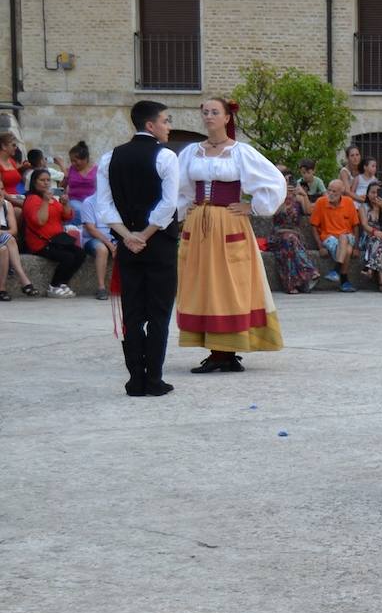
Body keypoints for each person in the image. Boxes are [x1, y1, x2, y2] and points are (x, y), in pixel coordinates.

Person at [176, 97, 288, 373]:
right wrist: (184, 206)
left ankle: (224, 351)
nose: (209, 116)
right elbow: (177, 185)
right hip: (199, 224)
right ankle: (216, 350)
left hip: (229, 222)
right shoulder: (191, 152)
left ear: (227, 117)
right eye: (205, 112)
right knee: (202, 284)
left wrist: (253, 205)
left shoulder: (240, 152)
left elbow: (275, 181)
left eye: (215, 112)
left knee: (229, 285)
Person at [95, 99, 181, 395]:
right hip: (159, 245)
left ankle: (135, 379)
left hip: (128, 245)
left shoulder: (109, 158)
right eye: (166, 121)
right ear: (150, 125)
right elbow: (168, 204)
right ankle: (154, 379)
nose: (168, 126)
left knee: (133, 312)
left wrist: (127, 236)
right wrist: (144, 234)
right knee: (158, 312)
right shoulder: (166, 157)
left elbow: (103, 206)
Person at [21, 169, 82, 297]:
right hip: (41, 243)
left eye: (48, 180)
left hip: (57, 240)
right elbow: (40, 221)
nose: (46, 183)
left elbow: (67, 217)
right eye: (42, 180)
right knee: (67, 257)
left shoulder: (52, 199)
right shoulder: (32, 200)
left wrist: (65, 204)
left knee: (80, 253)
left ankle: (62, 283)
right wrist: (44, 202)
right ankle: (53, 286)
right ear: (34, 182)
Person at [305, 180, 361, 291]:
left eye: (334, 191)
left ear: (341, 192)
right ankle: (344, 280)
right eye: (329, 190)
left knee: (344, 237)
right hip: (329, 238)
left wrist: (357, 247)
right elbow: (314, 227)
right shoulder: (321, 202)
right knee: (348, 250)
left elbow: (356, 226)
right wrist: (320, 247)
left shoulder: (349, 202)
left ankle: (336, 270)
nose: (330, 193)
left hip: (347, 236)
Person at [269, 179, 320, 295]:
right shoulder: (277, 199)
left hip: (295, 235)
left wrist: (304, 195)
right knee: (289, 241)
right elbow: (273, 212)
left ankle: (291, 284)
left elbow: (308, 211)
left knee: (290, 245)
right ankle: (308, 271)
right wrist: (282, 197)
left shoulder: (299, 199)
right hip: (278, 235)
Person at [75, 195, 117, 300]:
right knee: (101, 250)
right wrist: (110, 244)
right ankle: (101, 287)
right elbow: (91, 229)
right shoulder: (89, 202)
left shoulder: (117, 200)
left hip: (115, 237)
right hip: (93, 239)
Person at [0, 193, 41, 300]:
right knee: (4, 248)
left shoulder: (6, 205)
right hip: (3, 236)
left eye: (2, 189)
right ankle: (20, 282)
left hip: (3, 236)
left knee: (9, 240)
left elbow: (14, 231)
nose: (0, 192)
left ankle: (5, 287)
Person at [0, 132, 26, 210]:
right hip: (5, 200)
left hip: (16, 197)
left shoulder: (11, 161)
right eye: (13, 145)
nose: (16, 148)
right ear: (3, 146)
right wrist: (16, 201)